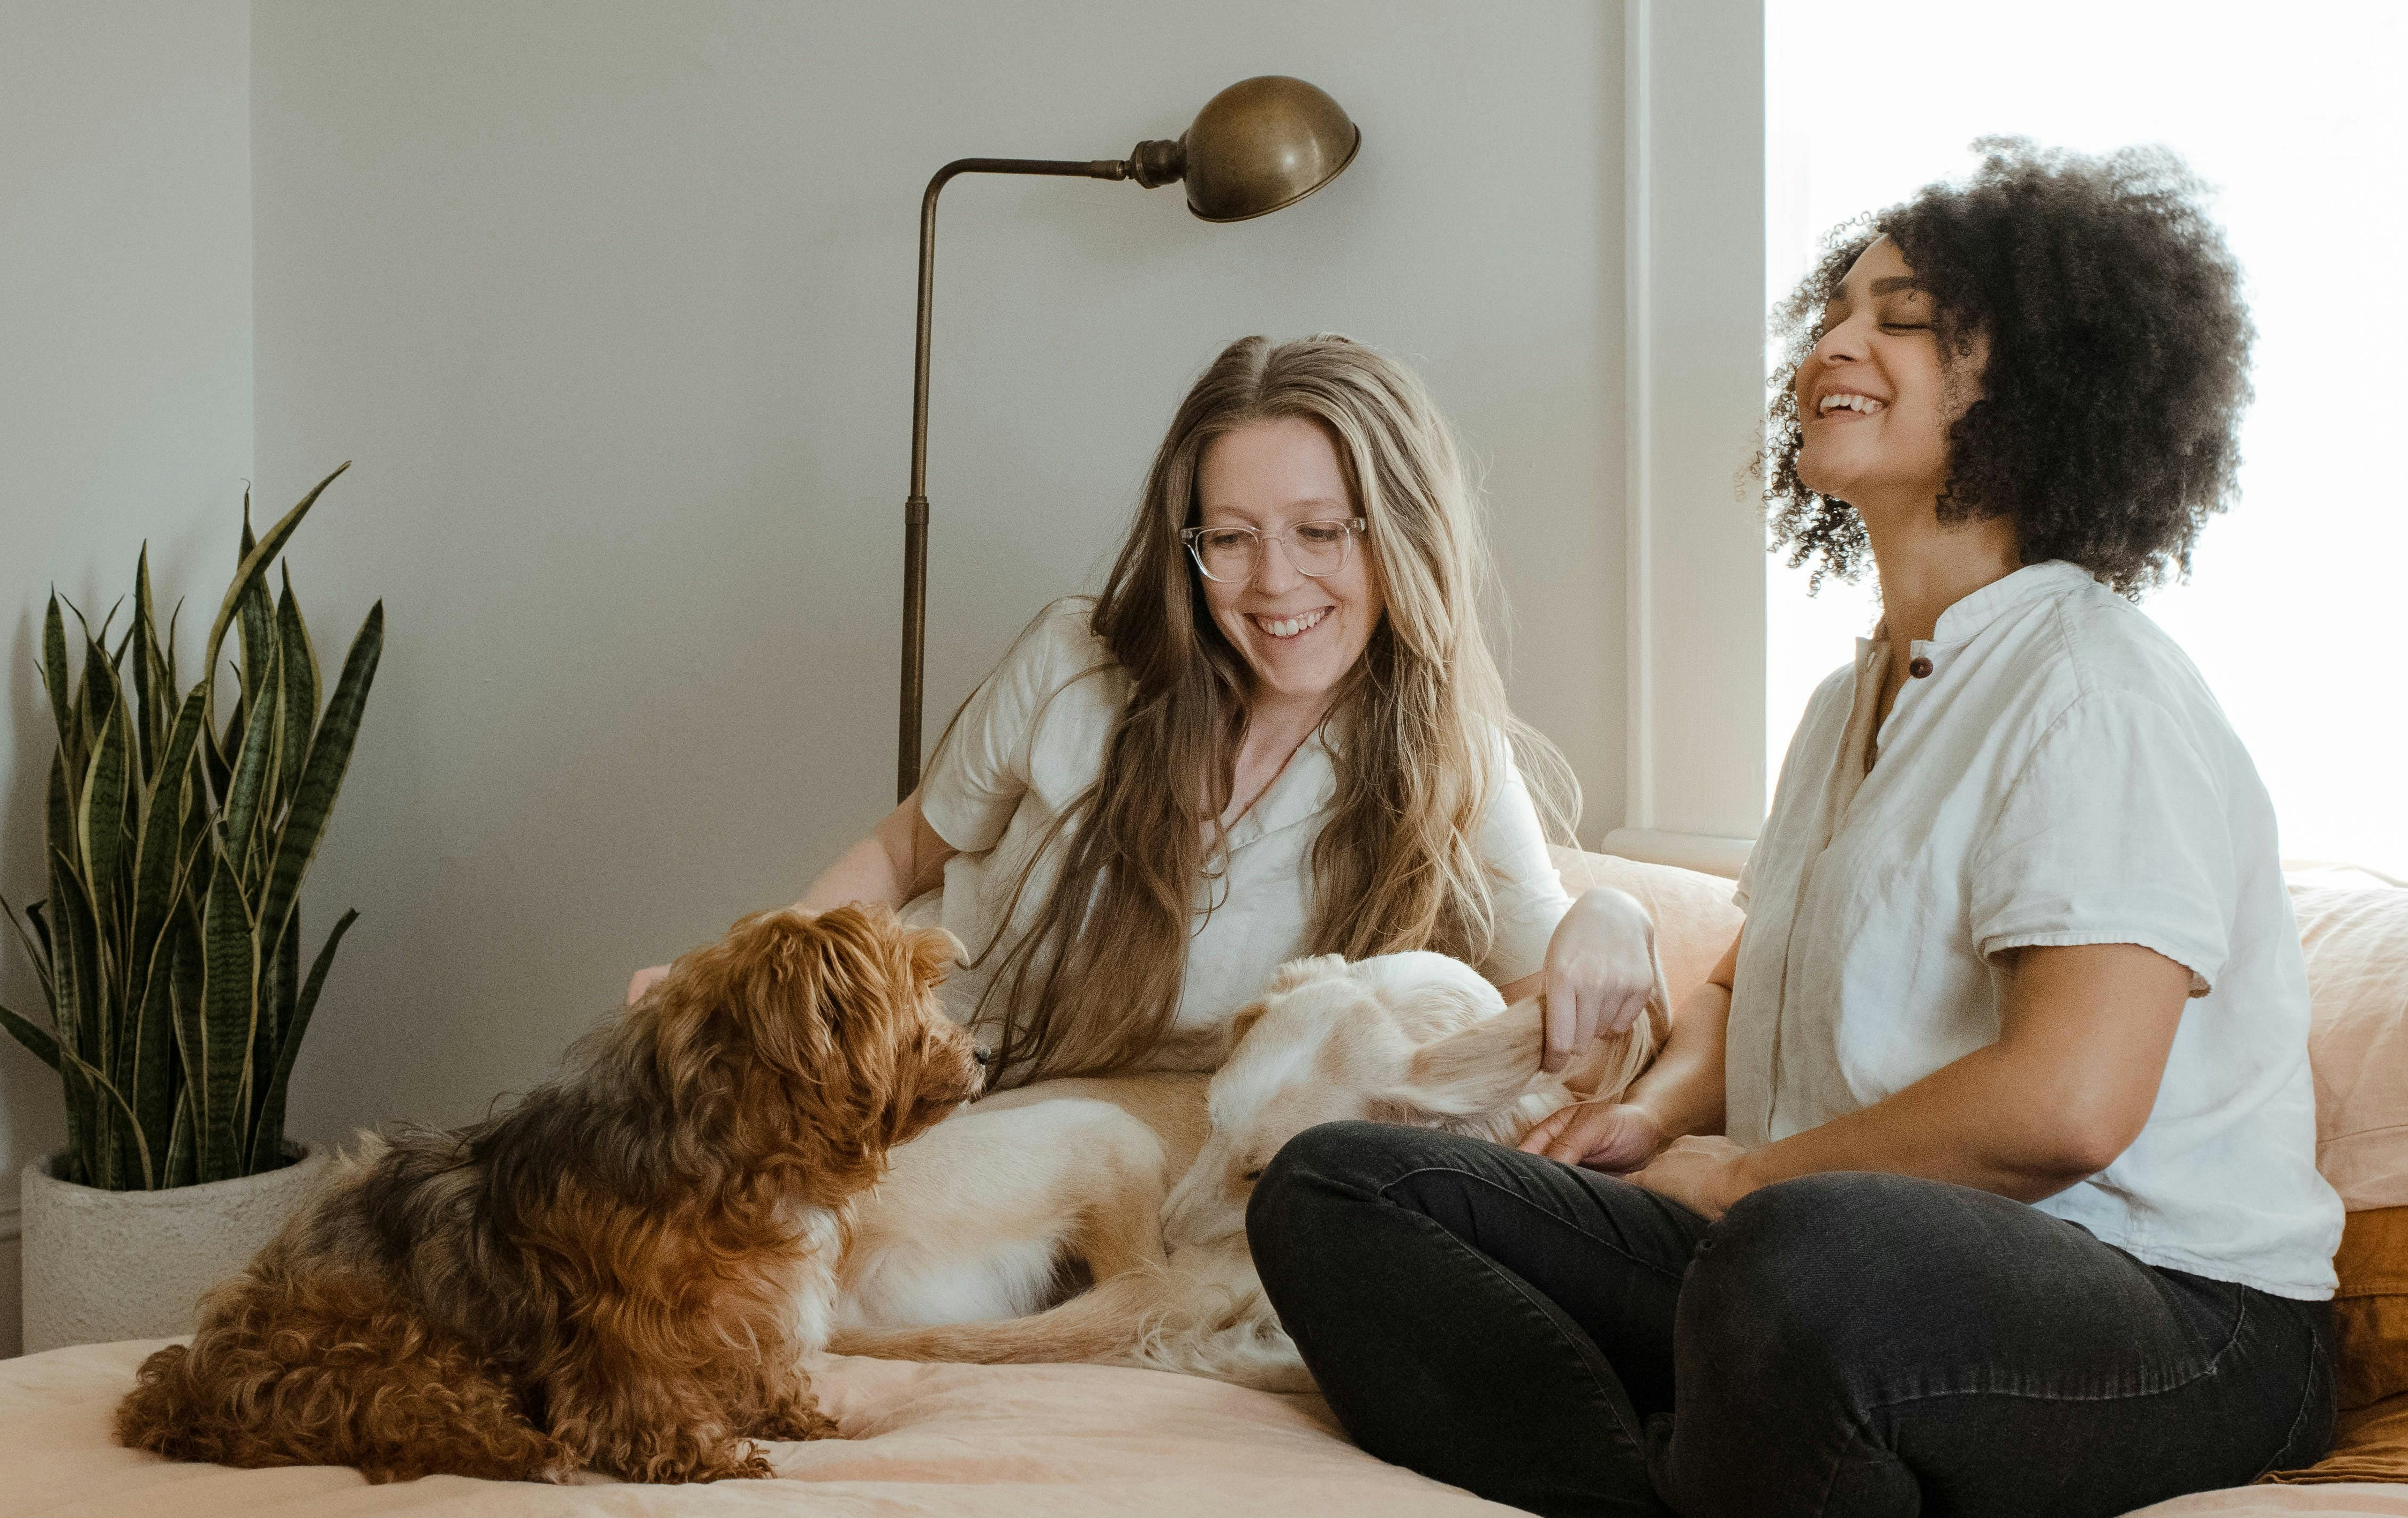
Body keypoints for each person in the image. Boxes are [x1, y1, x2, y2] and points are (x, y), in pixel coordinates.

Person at [1251, 141, 2342, 1518]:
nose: (1835, 339)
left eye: (1901, 315)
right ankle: (1661, 1513)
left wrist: (1748, 1180)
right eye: (1836, 309)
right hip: (1818, 1261)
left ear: (2035, 378)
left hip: (2172, 1317)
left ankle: (1736, 1450)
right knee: (1341, 1188)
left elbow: (2069, 1103)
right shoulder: (1854, 701)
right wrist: (1647, 1120)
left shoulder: (2094, 688)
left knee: (1791, 1262)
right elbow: (1751, 973)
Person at [654, 333, 1660, 1092]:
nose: (1274, 584)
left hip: (1137, 1164)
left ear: (1400, 535)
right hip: (917, 1089)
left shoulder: (1449, 758)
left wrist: (1615, 915)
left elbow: (1550, 1016)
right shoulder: (1072, 662)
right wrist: (742, 986)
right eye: (1229, 538)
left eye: (1320, 533)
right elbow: (906, 853)